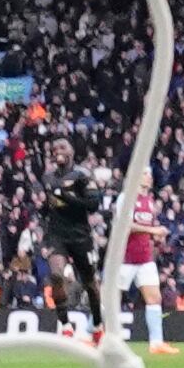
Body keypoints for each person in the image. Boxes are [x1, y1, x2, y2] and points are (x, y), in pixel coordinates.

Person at [41, 137, 104, 341]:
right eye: (54, 148)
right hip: (57, 235)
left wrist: (66, 196)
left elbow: (93, 205)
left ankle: (97, 323)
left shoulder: (82, 175)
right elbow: (47, 207)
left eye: (62, 147)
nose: (57, 150)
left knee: (90, 284)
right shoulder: (48, 178)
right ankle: (66, 325)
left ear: (71, 151)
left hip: (80, 235)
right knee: (57, 276)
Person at [123, 167, 178, 354]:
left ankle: (156, 343)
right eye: (146, 173)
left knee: (154, 298)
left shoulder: (150, 201)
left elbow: (147, 227)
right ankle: (91, 333)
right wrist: (153, 231)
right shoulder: (127, 197)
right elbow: (126, 225)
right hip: (125, 258)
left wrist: (157, 237)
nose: (150, 177)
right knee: (110, 299)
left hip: (145, 258)